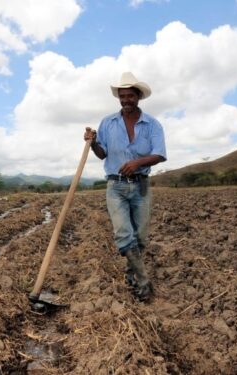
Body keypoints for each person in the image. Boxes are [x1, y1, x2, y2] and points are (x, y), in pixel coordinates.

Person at [84, 72, 167, 301]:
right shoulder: (108, 123)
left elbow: (159, 154)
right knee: (123, 233)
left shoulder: (152, 125)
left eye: (130, 95)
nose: (126, 100)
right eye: (123, 96)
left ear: (138, 96)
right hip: (116, 187)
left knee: (140, 238)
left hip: (141, 186)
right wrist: (92, 143)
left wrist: (137, 162)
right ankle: (143, 281)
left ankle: (131, 275)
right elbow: (103, 154)